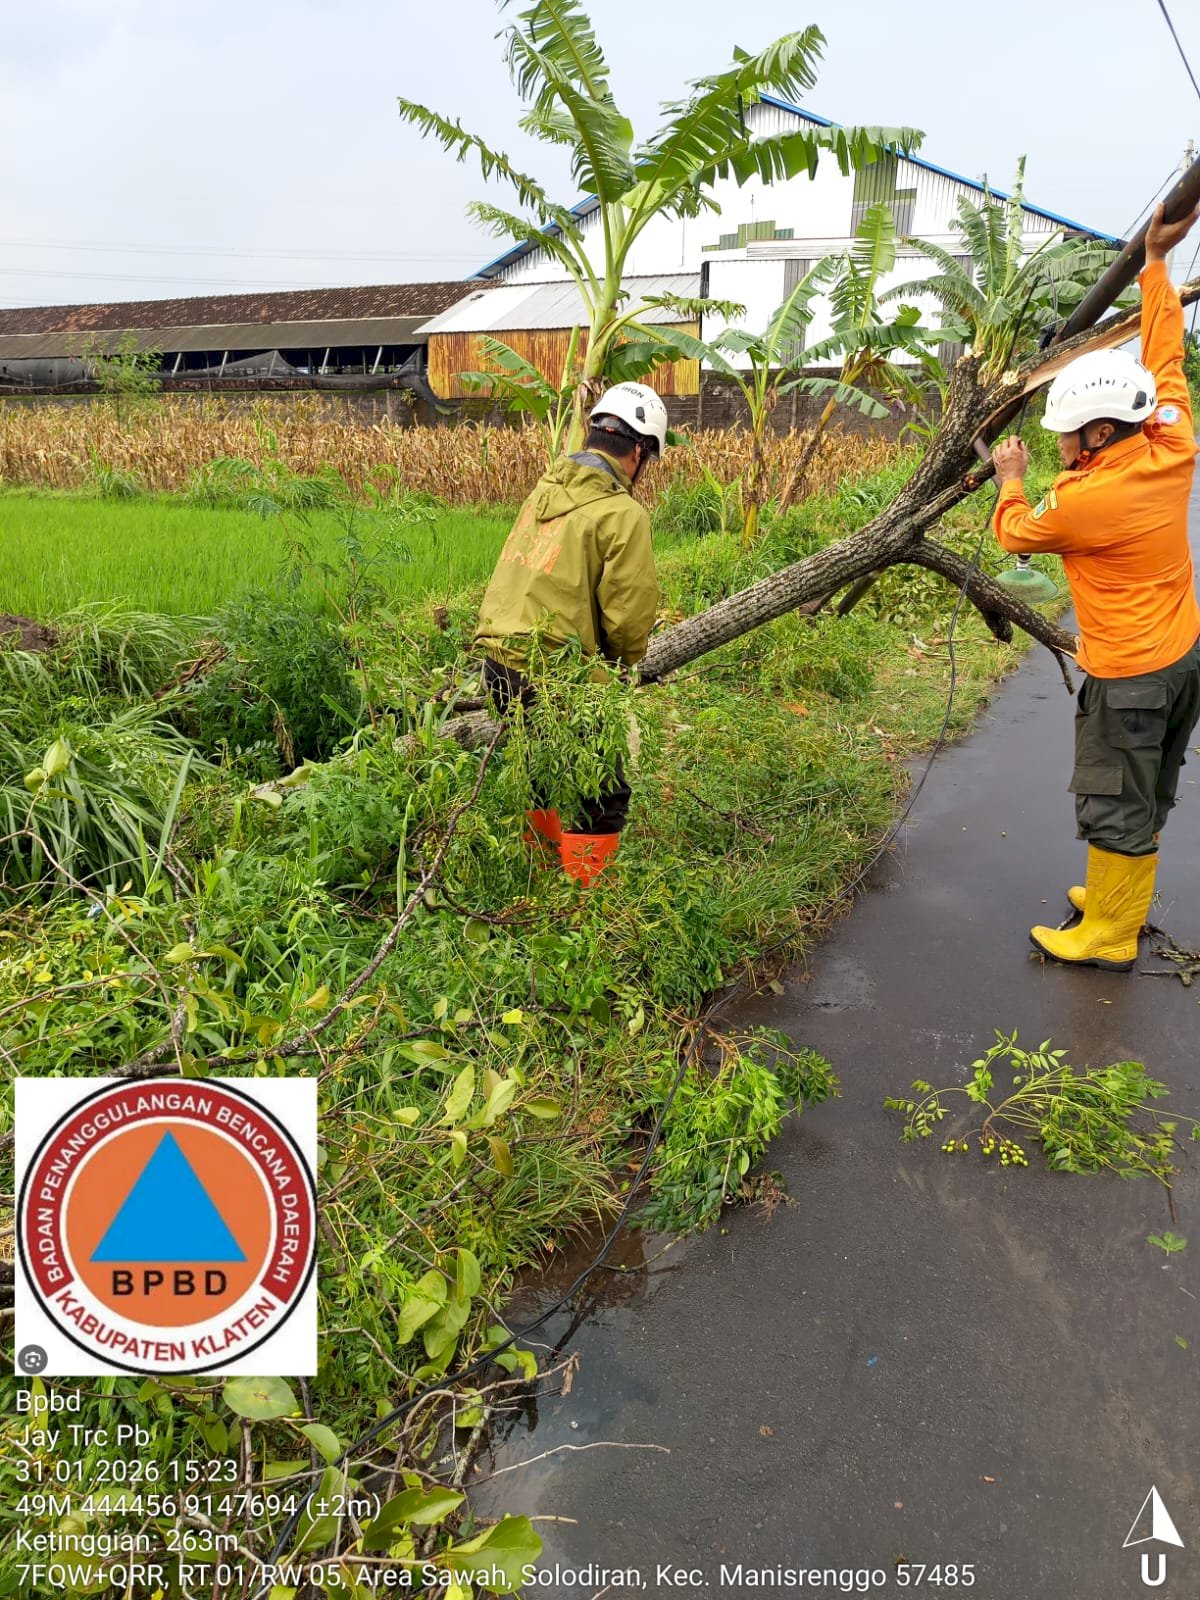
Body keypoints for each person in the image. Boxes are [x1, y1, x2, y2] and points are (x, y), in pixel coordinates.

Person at [990, 201, 1200, 970]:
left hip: (1131, 676)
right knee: (1146, 791)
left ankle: (1110, 933)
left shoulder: (1084, 501)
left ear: (1102, 433)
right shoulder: (1173, 440)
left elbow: (1015, 531)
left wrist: (1011, 478)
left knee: (1115, 796)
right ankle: (1115, 897)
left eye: (1067, 434)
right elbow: (1167, 357)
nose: (1059, 444)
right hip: (1181, 661)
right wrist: (1154, 266)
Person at [474, 381, 667, 885]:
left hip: (497, 661)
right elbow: (627, 624)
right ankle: (583, 909)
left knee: (540, 768)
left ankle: (538, 883)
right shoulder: (623, 514)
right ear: (640, 452)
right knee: (603, 789)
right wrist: (622, 668)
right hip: (552, 670)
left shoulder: (546, 488)